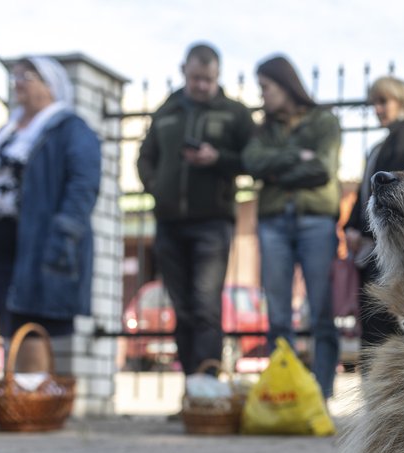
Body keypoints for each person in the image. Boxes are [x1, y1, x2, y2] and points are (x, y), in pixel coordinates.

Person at [0, 57, 100, 373]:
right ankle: (17, 395)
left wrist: (66, 230)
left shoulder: (69, 128)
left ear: (50, 87)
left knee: (34, 318)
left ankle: (31, 398)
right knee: (8, 316)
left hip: (38, 237)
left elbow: (83, 183)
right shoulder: (8, 129)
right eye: (16, 75)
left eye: (28, 76)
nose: (19, 81)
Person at [137, 43, 255, 376]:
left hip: (212, 223)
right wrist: (156, 187)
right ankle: (191, 391)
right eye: (195, 78)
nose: (201, 85)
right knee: (182, 309)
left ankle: (207, 389)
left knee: (205, 307)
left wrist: (217, 159)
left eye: (208, 78)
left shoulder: (235, 113)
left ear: (217, 76)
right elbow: (146, 156)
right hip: (169, 222)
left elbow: (252, 159)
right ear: (183, 71)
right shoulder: (168, 109)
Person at [242, 55, 342, 399]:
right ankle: (281, 395)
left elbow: (321, 169)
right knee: (278, 315)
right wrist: (294, 157)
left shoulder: (323, 121)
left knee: (321, 312)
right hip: (273, 223)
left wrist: (275, 168)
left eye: (265, 87)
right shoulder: (263, 127)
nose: (262, 95)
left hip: (316, 221)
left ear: (284, 85)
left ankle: (322, 393)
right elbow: (252, 162)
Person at [343, 76, 404, 356]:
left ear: (401, 98)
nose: (377, 109)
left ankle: (379, 387)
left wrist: (364, 231)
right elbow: (363, 190)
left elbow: (397, 190)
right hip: (374, 240)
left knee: (382, 325)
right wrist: (351, 226)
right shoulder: (384, 142)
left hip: (392, 241)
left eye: (383, 102)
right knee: (374, 322)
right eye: (374, 104)